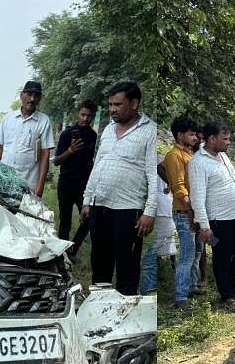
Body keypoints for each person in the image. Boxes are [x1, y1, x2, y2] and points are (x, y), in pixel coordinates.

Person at [80, 81, 158, 295]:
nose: (112, 109)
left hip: (128, 210)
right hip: (99, 205)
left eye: (117, 104)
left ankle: (125, 317)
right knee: (100, 263)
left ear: (134, 103)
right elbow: (98, 164)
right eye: (110, 105)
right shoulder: (108, 129)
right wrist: (88, 199)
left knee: (127, 267)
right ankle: (99, 309)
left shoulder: (149, 130)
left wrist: (150, 211)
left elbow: (153, 173)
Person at [189, 122, 235, 312]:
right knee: (222, 256)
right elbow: (197, 197)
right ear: (211, 139)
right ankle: (226, 296)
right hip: (217, 220)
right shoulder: (198, 163)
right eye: (225, 138)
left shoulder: (223, 156)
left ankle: (230, 285)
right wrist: (204, 226)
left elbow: (232, 182)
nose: (228, 142)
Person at [159, 116, 200, 308]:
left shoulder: (190, 154)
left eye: (195, 134)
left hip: (195, 210)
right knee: (187, 254)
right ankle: (180, 296)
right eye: (191, 134)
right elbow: (180, 187)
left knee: (197, 251)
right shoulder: (174, 156)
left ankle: (192, 286)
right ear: (180, 135)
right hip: (185, 212)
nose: (195, 137)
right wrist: (190, 209)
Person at [0, 81, 55, 196]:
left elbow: (44, 154)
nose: (32, 99)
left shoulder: (43, 121)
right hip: (5, 181)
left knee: (24, 213)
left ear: (39, 99)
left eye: (36, 96)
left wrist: (40, 186)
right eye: (29, 94)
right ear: (22, 95)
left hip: (28, 183)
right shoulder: (8, 118)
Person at [53, 99, 98, 256]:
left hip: (84, 185)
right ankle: (62, 255)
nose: (85, 119)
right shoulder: (67, 134)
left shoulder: (93, 135)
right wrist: (70, 150)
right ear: (78, 114)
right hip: (66, 183)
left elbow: (90, 159)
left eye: (89, 116)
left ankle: (73, 248)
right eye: (83, 115)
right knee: (65, 222)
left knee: (90, 219)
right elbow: (56, 161)